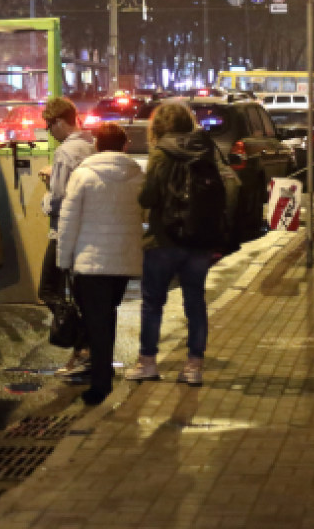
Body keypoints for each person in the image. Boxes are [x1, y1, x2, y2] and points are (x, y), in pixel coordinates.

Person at [125, 102, 216, 387]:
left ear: (159, 126)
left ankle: (148, 362)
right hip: (199, 239)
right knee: (195, 302)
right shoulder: (205, 149)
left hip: (163, 238)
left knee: (153, 303)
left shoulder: (161, 153)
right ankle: (194, 366)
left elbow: (148, 197)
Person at [55, 123, 144, 405]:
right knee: (107, 316)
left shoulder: (82, 175)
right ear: (124, 145)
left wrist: (63, 259)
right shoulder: (136, 175)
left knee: (96, 322)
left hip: (91, 262)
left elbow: (69, 222)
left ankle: (100, 384)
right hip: (121, 261)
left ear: (96, 145)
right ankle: (103, 374)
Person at [37, 96, 96, 376]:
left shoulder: (64, 153)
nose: (50, 132)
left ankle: (82, 345)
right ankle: (84, 351)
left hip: (63, 230)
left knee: (49, 289)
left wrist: (46, 192)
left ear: (60, 121)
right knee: (79, 291)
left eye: (50, 126)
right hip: (87, 229)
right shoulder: (91, 146)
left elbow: (60, 199)